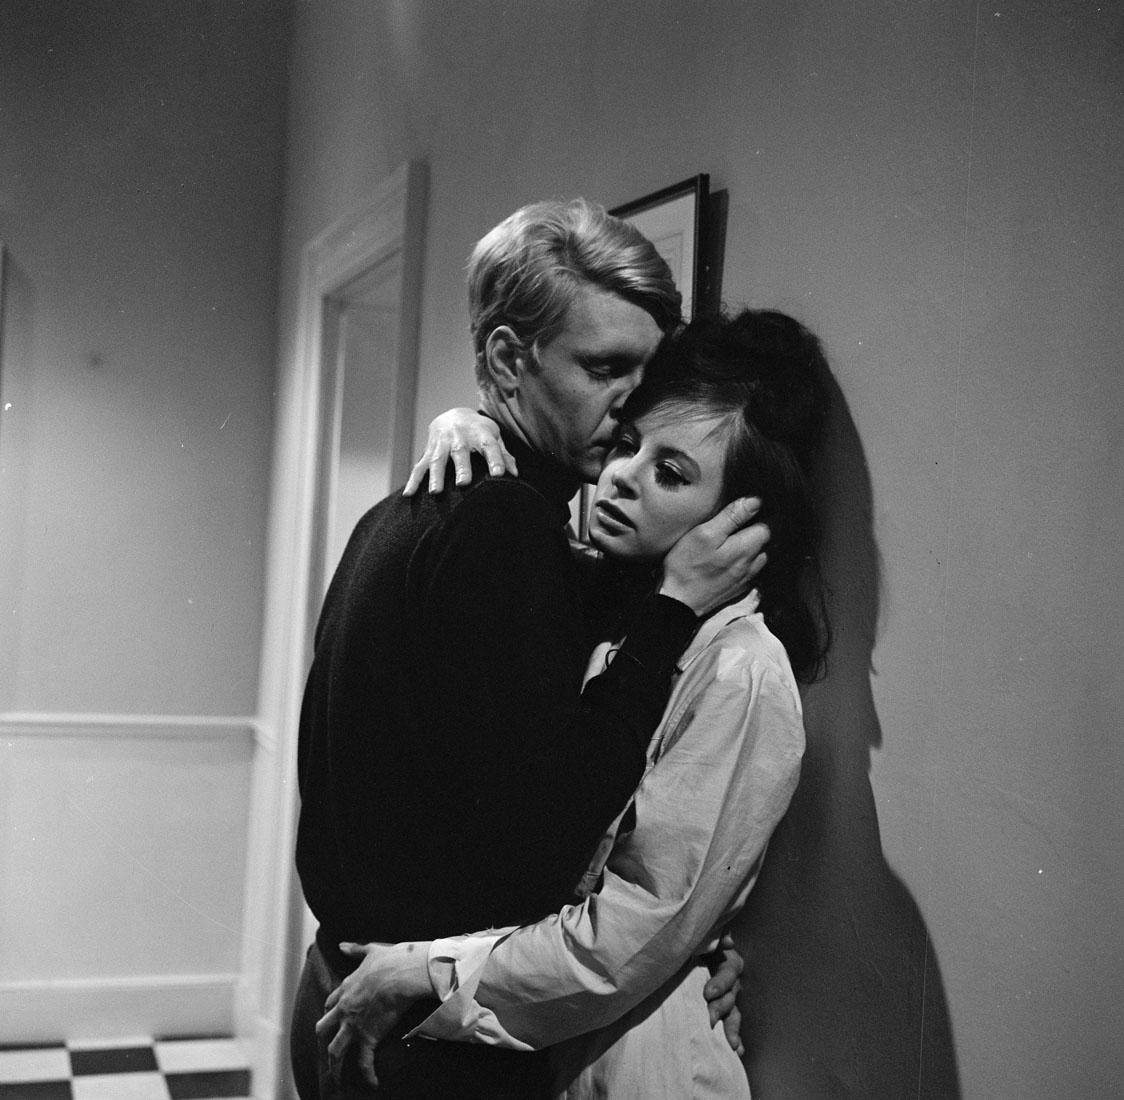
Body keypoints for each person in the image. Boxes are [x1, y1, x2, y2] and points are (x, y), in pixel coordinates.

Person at [289, 199, 769, 1100]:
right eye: (605, 367)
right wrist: (673, 611)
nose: (633, 399)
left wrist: (690, 958)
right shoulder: (503, 528)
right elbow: (546, 839)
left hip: (350, 992)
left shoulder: (409, 512)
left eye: (649, 370)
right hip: (424, 1041)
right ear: (509, 361)